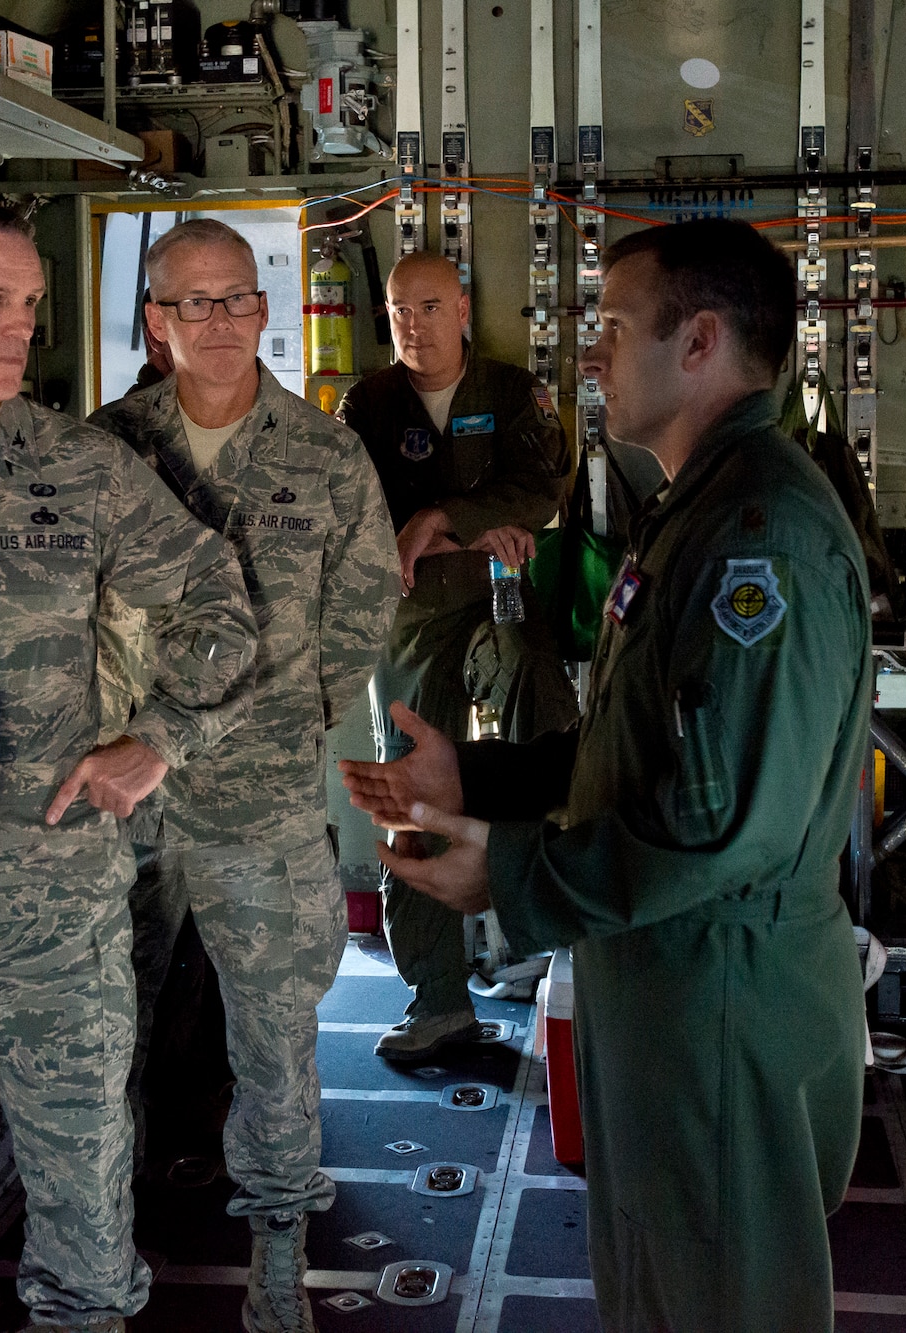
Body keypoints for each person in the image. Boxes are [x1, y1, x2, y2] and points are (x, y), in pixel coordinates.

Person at [339, 218, 872, 1333]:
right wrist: (476, 777)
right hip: (663, 983)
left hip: (719, 1006)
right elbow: (632, 749)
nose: (591, 356)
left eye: (616, 329)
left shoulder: (754, 537)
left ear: (700, 343)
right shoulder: (692, 508)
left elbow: (718, 828)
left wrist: (514, 879)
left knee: (721, 1300)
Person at [0, 201, 257, 1333]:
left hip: (50, 871)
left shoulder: (81, 468)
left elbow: (222, 611)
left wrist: (156, 740)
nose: (21, 327)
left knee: (77, 1143)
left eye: (30, 303)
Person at [89, 218, 400, 1333]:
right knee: (95, 1022)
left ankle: (276, 1239)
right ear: (155, 320)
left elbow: (364, 602)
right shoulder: (102, 447)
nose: (218, 322)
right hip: (122, 792)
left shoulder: (324, 454)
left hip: (259, 793)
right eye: (191, 303)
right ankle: (98, 1234)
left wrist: (297, 715)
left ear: (264, 310)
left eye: (235, 299)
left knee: (272, 1032)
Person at [335, 250, 579, 1061]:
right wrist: (461, 522)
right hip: (408, 618)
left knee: (546, 727)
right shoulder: (366, 404)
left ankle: (555, 937)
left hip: (499, 594)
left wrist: (442, 517)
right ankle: (437, 999)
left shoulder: (510, 393)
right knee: (404, 787)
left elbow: (542, 487)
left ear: (464, 310)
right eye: (401, 311)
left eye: (431, 308)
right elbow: (352, 508)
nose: (414, 325)